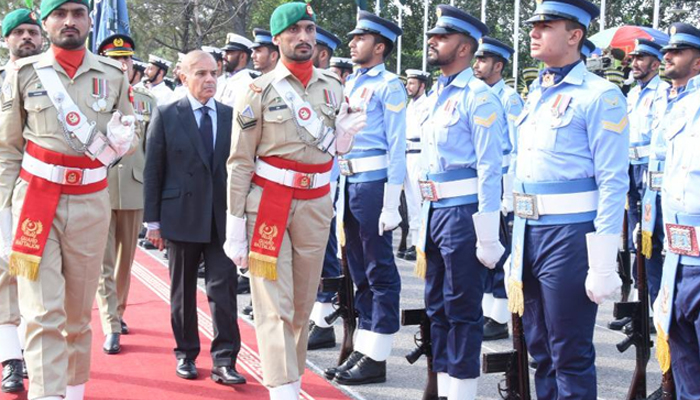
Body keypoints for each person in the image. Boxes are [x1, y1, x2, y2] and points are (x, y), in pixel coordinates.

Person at [225, 3, 364, 398]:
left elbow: (334, 153)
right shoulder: (256, 90)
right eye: (293, 31)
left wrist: (343, 139)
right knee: (274, 306)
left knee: (302, 306)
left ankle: (292, 380)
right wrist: (235, 224)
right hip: (268, 204)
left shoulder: (333, 86)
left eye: (309, 29)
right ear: (278, 39)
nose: (303, 37)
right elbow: (239, 162)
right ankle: (283, 391)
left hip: (316, 204)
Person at [0, 0, 138, 398]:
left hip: (91, 203)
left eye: (78, 13)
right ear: (46, 23)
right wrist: (4, 215)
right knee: (43, 313)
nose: (70, 21)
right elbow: (8, 150)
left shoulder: (113, 73)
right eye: (60, 14)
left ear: (89, 20)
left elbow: (125, 136)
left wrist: (124, 142)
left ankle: (73, 392)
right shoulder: (24, 73)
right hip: (36, 200)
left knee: (77, 316)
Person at [507, 1, 629, 398]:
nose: (534, 32)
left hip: (571, 235)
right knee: (539, 345)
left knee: (569, 350)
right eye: (534, 26)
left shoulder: (601, 96)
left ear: (575, 35)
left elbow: (613, 181)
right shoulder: (536, 93)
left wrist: (603, 259)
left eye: (546, 25)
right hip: (529, 230)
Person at [416, 6, 505, 399]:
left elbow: (490, 168)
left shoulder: (479, 97)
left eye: (442, 37)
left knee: (462, 308)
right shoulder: (436, 95)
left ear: (465, 47)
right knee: (435, 305)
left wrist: (487, 233)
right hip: (434, 211)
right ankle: (441, 384)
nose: (432, 42)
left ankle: (463, 391)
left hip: (464, 213)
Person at [143, 50, 244, 385]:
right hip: (180, 215)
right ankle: (186, 354)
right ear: (183, 76)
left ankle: (225, 360)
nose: (210, 80)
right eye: (200, 73)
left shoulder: (231, 116)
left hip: (221, 218)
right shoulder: (167, 113)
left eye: (214, 73)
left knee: (224, 290)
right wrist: (152, 222)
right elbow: (153, 170)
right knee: (183, 292)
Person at [325, 10, 406, 386]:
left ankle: (378, 354)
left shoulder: (390, 86)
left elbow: (396, 147)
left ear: (380, 46)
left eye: (361, 38)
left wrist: (392, 203)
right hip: (349, 182)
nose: (353, 42)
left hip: (374, 185)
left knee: (378, 269)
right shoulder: (353, 82)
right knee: (358, 269)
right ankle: (364, 344)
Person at [95, 33, 157, 355]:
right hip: (99, 187)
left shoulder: (147, 101)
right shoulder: (91, 96)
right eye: (114, 58)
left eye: (127, 59)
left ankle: (118, 310)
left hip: (134, 188)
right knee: (102, 260)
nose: (122, 64)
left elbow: (152, 151)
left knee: (124, 260)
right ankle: (110, 323)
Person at [653, 22, 700, 400]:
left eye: (677, 52)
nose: (666, 57)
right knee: (684, 356)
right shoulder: (677, 106)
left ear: (698, 62)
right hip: (678, 254)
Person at [0, 7, 42, 394]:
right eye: (19, 33)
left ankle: (35, 354)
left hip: (40, 192)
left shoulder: (53, 81)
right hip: (1, 191)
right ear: (6, 39)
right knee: (3, 279)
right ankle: (12, 360)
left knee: (37, 277)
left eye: (32, 31)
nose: (27, 37)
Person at [473, 36, 524, 341]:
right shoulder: (476, 95)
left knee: (501, 249)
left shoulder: (509, 98)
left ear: (498, 65)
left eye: (483, 60)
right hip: (486, 179)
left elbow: (516, 147)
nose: (476, 65)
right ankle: (487, 309)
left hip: (504, 178)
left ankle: (499, 315)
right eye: (476, 59)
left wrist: (509, 192)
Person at [307, 25, 344, 351]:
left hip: (327, 181)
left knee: (325, 250)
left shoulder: (331, 88)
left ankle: (324, 317)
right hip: (302, 183)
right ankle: (316, 313)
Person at [397, 68, 430, 262]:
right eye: (408, 83)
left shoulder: (427, 104)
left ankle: (421, 243)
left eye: (412, 83)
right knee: (410, 201)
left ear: (422, 85)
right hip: (407, 155)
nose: (408, 86)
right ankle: (414, 241)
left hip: (419, 156)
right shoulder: (410, 105)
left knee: (419, 201)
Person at [217, 33, 256, 108]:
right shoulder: (223, 81)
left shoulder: (248, 83)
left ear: (242, 56)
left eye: (229, 53)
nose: (224, 56)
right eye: (225, 53)